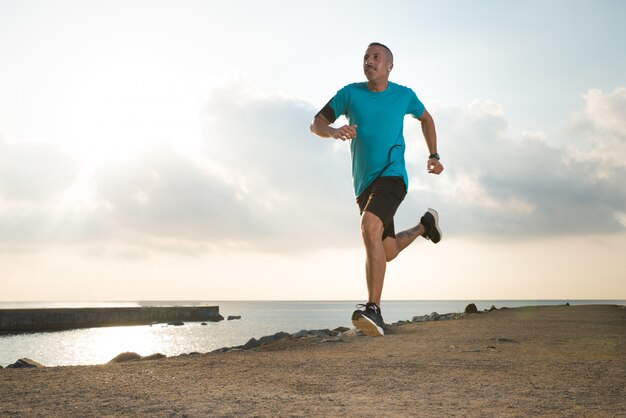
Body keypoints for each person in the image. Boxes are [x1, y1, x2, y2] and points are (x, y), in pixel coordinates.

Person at [309, 42, 444, 337]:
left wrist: (433, 155)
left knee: (369, 225)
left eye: (376, 57)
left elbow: (426, 118)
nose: (369, 61)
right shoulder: (349, 94)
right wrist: (332, 131)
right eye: (366, 57)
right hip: (364, 184)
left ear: (389, 66)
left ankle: (374, 310)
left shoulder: (404, 95)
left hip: (393, 176)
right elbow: (316, 123)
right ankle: (425, 225)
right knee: (387, 250)